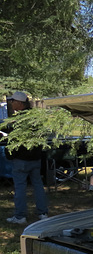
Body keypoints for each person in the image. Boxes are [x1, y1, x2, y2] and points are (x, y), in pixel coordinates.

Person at [4, 91, 48, 225]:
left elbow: (14, 139)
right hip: (35, 158)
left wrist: (10, 153)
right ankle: (42, 213)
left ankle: (20, 216)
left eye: (13, 101)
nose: (11, 104)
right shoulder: (35, 118)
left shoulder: (19, 120)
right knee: (38, 186)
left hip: (21, 160)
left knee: (20, 187)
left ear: (20, 103)